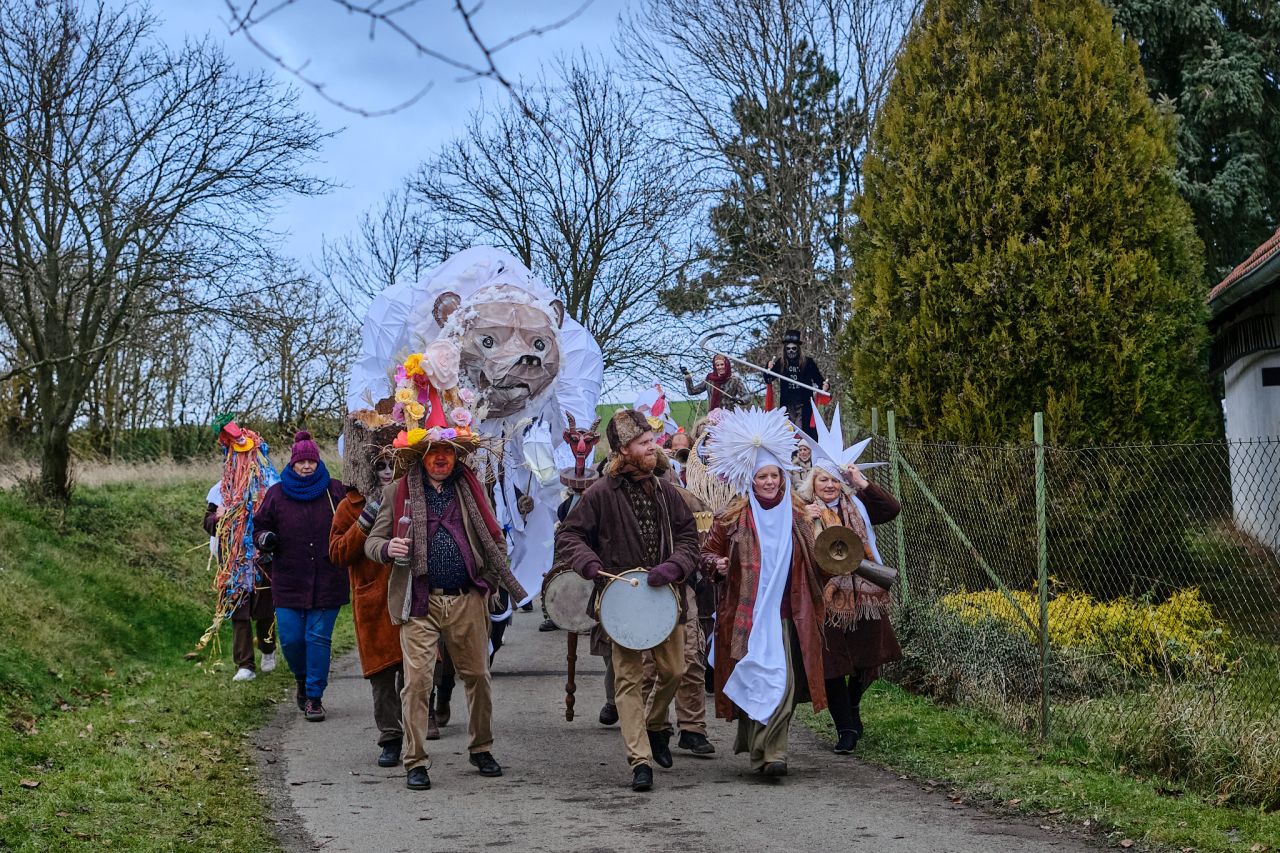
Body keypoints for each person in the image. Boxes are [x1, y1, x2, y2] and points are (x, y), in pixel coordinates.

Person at [364, 435, 527, 792]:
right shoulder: (396, 492)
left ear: (456, 457)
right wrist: (387, 547)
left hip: (466, 599)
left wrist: (488, 580)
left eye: (447, 452)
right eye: (433, 451)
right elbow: (371, 543)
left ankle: (481, 748)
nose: (441, 458)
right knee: (418, 682)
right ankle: (416, 761)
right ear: (421, 457)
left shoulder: (471, 489)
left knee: (478, 677)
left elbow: (495, 537)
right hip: (418, 599)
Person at [556, 409, 700, 792]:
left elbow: (690, 540)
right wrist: (587, 563)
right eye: (644, 443)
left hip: (667, 598)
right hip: (620, 601)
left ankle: (656, 724)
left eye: (653, 441)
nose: (653, 448)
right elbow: (569, 536)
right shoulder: (601, 493)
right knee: (628, 679)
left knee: (674, 671)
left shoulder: (668, 492)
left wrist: (674, 567)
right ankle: (640, 760)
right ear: (623, 449)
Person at [700, 407, 829, 777]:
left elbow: (821, 560)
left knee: (783, 683)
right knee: (756, 678)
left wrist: (823, 529)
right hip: (747, 615)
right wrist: (716, 565)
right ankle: (760, 749)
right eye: (763, 477)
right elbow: (707, 553)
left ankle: (774, 754)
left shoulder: (800, 514)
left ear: (783, 477)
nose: (770, 482)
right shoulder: (733, 516)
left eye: (774, 475)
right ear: (751, 480)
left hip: (788, 612)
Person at [796, 403, 902, 754]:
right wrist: (801, 519)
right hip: (825, 599)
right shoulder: (801, 508)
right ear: (813, 481)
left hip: (866, 597)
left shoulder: (857, 505)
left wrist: (860, 481)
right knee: (833, 666)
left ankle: (854, 707)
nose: (829, 486)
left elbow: (891, 510)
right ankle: (845, 729)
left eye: (835, 480)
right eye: (823, 479)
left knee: (868, 660)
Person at [254, 431, 348, 721]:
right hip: (289, 579)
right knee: (293, 640)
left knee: (318, 638)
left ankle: (314, 697)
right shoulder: (277, 494)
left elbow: (352, 521)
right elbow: (258, 528)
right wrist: (266, 538)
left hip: (328, 577)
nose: (307, 466)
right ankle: (301, 679)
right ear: (292, 463)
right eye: (301, 461)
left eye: (311, 461)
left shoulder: (335, 490)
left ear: (318, 462)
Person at [329, 419, 403, 767]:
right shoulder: (349, 506)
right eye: (380, 466)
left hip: (409, 594)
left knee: (418, 669)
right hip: (373, 599)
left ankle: (421, 723)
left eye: (393, 464)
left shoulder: (412, 496)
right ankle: (390, 736)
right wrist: (364, 523)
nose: (387, 472)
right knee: (384, 675)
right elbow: (338, 552)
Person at [766, 331, 828, 438]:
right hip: (787, 404)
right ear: (785, 349)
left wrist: (825, 387)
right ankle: (791, 454)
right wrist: (768, 368)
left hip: (804, 404)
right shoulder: (781, 363)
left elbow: (819, 380)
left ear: (798, 349)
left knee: (803, 432)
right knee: (788, 432)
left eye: (793, 348)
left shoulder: (808, 363)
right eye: (788, 349)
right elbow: (768, 378)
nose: (791, 351)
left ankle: (803, 452)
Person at [683, 353, 750, 410]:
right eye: (717, 365)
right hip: (713, 416)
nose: (720, 367)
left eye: (722, 364)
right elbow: (692, 391)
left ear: (726, 365)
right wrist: (687, 376)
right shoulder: (710, 379)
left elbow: (746, 396)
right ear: (714, 366)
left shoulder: (735, 380)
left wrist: (740, 400)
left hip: (729, 416)